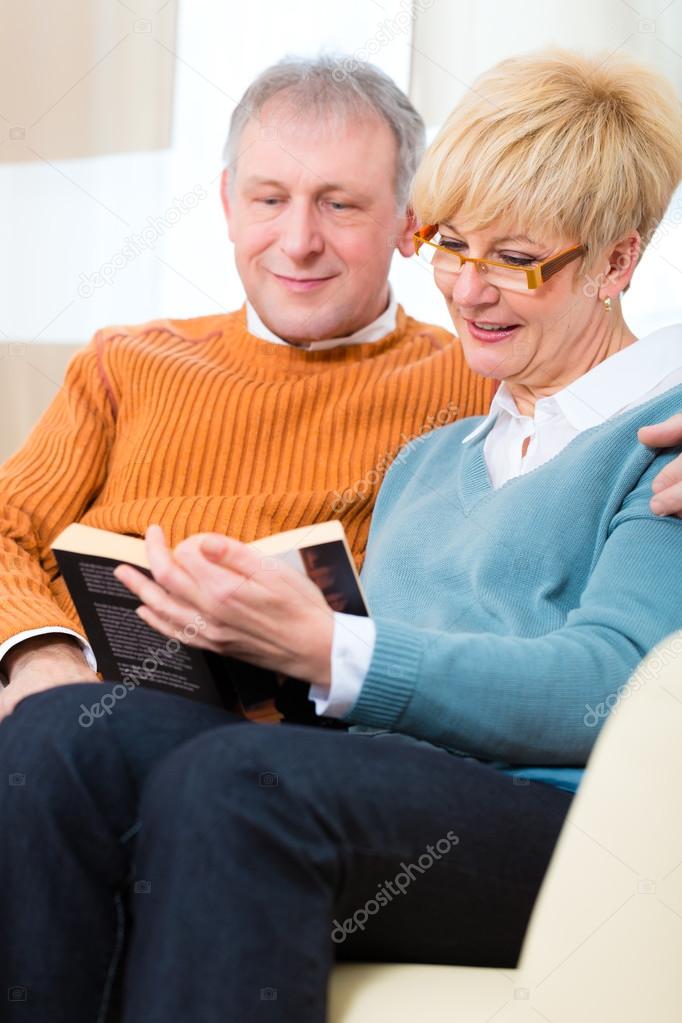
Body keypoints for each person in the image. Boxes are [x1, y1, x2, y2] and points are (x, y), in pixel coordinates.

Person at [2, 48, 681, 1022]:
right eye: (451, 247)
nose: (471, 291)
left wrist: (329, 647)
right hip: (378, 785)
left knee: (235, 783)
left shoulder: (659, 434)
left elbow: (603, 685)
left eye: (515, 258)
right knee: (63, 740)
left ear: (618, 260)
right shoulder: (434, 458)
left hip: (553, 819)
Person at [0, 56, 497, 719]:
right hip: (76, 715)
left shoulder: (479, 379)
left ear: (411, 222)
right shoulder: (123, 361)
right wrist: (40, 657)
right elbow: (8, 527)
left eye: (339, 204)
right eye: (269, 200)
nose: (297, 242)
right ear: (229, 204)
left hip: (292, 756)